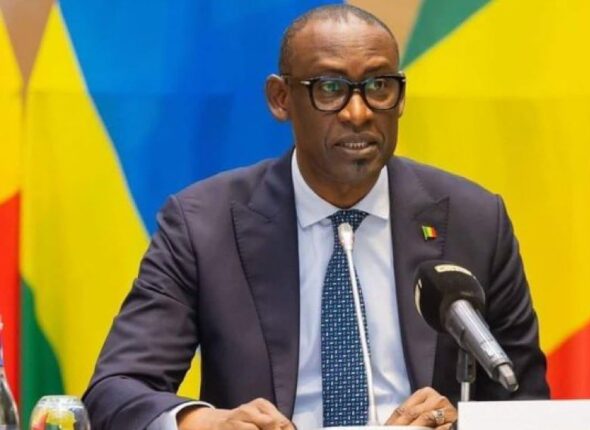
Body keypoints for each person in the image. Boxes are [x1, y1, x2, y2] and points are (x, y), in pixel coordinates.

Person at [83, 5, 549, 430]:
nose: (358, 113)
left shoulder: (474, 221)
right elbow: (116, 390)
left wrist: (458, 422)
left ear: (401, 97)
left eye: (379, 87)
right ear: (280, 98)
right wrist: (205, 423)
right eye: (330, 89)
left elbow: (524, 401)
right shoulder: (203, 225)